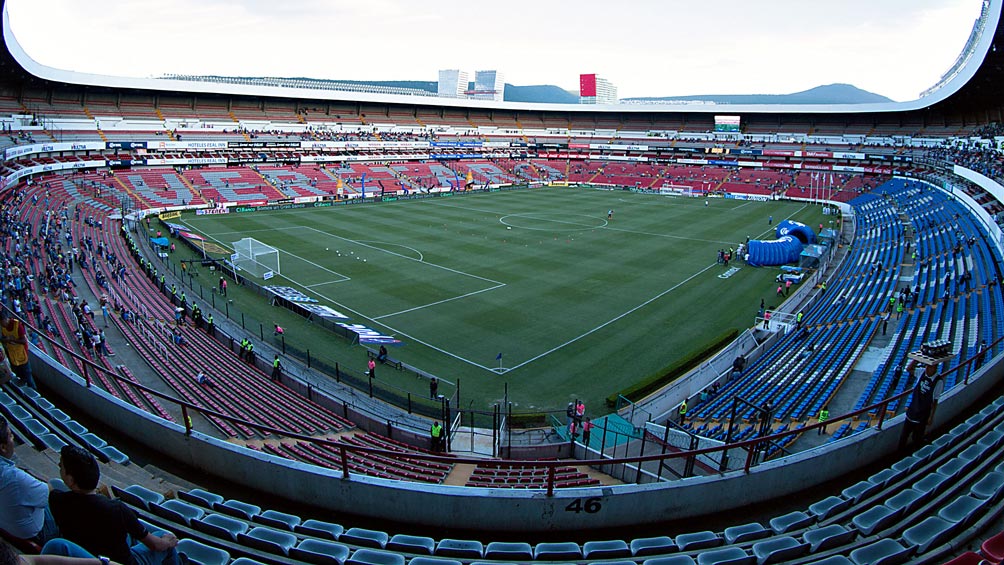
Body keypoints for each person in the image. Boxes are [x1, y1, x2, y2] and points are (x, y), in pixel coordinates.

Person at [44, 446, 180, 565]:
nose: (59, 466)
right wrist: (168, 541)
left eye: (61, 466)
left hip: (86, 556)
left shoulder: (58, 500)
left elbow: (47, 487)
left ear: (71, 480)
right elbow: (156, 545)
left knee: (130, 536)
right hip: (119, 562)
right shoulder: (117, 509)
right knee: (162, 535)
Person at [0, 416, 57, 544]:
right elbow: (49, 491)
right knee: (57, 494)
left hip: (6, 524)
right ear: (3, 447)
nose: (13, 438)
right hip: (34, 533)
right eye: (10, 435)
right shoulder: (14, 477)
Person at [898, 360, 943, 452]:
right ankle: (899, 454)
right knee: (903, 436)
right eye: (926, 366)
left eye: (929, 367)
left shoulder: (938, 381)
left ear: (934, 368)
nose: (927, 368)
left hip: (923, 415)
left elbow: (935, 400)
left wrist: (931, 416)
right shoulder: (922, 372)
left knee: (917, 438)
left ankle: (916, 455)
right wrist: (916, 359)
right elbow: (909, 369)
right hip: (912, 411)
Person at [1, 310, 35, 389]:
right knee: (19, 373)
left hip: (21, 354)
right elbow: (3, 338)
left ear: (5, 319)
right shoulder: (3, 327)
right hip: (12, 354)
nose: (2, 325)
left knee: (27, 374)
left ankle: (33, 388)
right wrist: (5, 340)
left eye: (2, 323)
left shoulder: (17, 325)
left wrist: (11, 340)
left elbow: (24, 341)